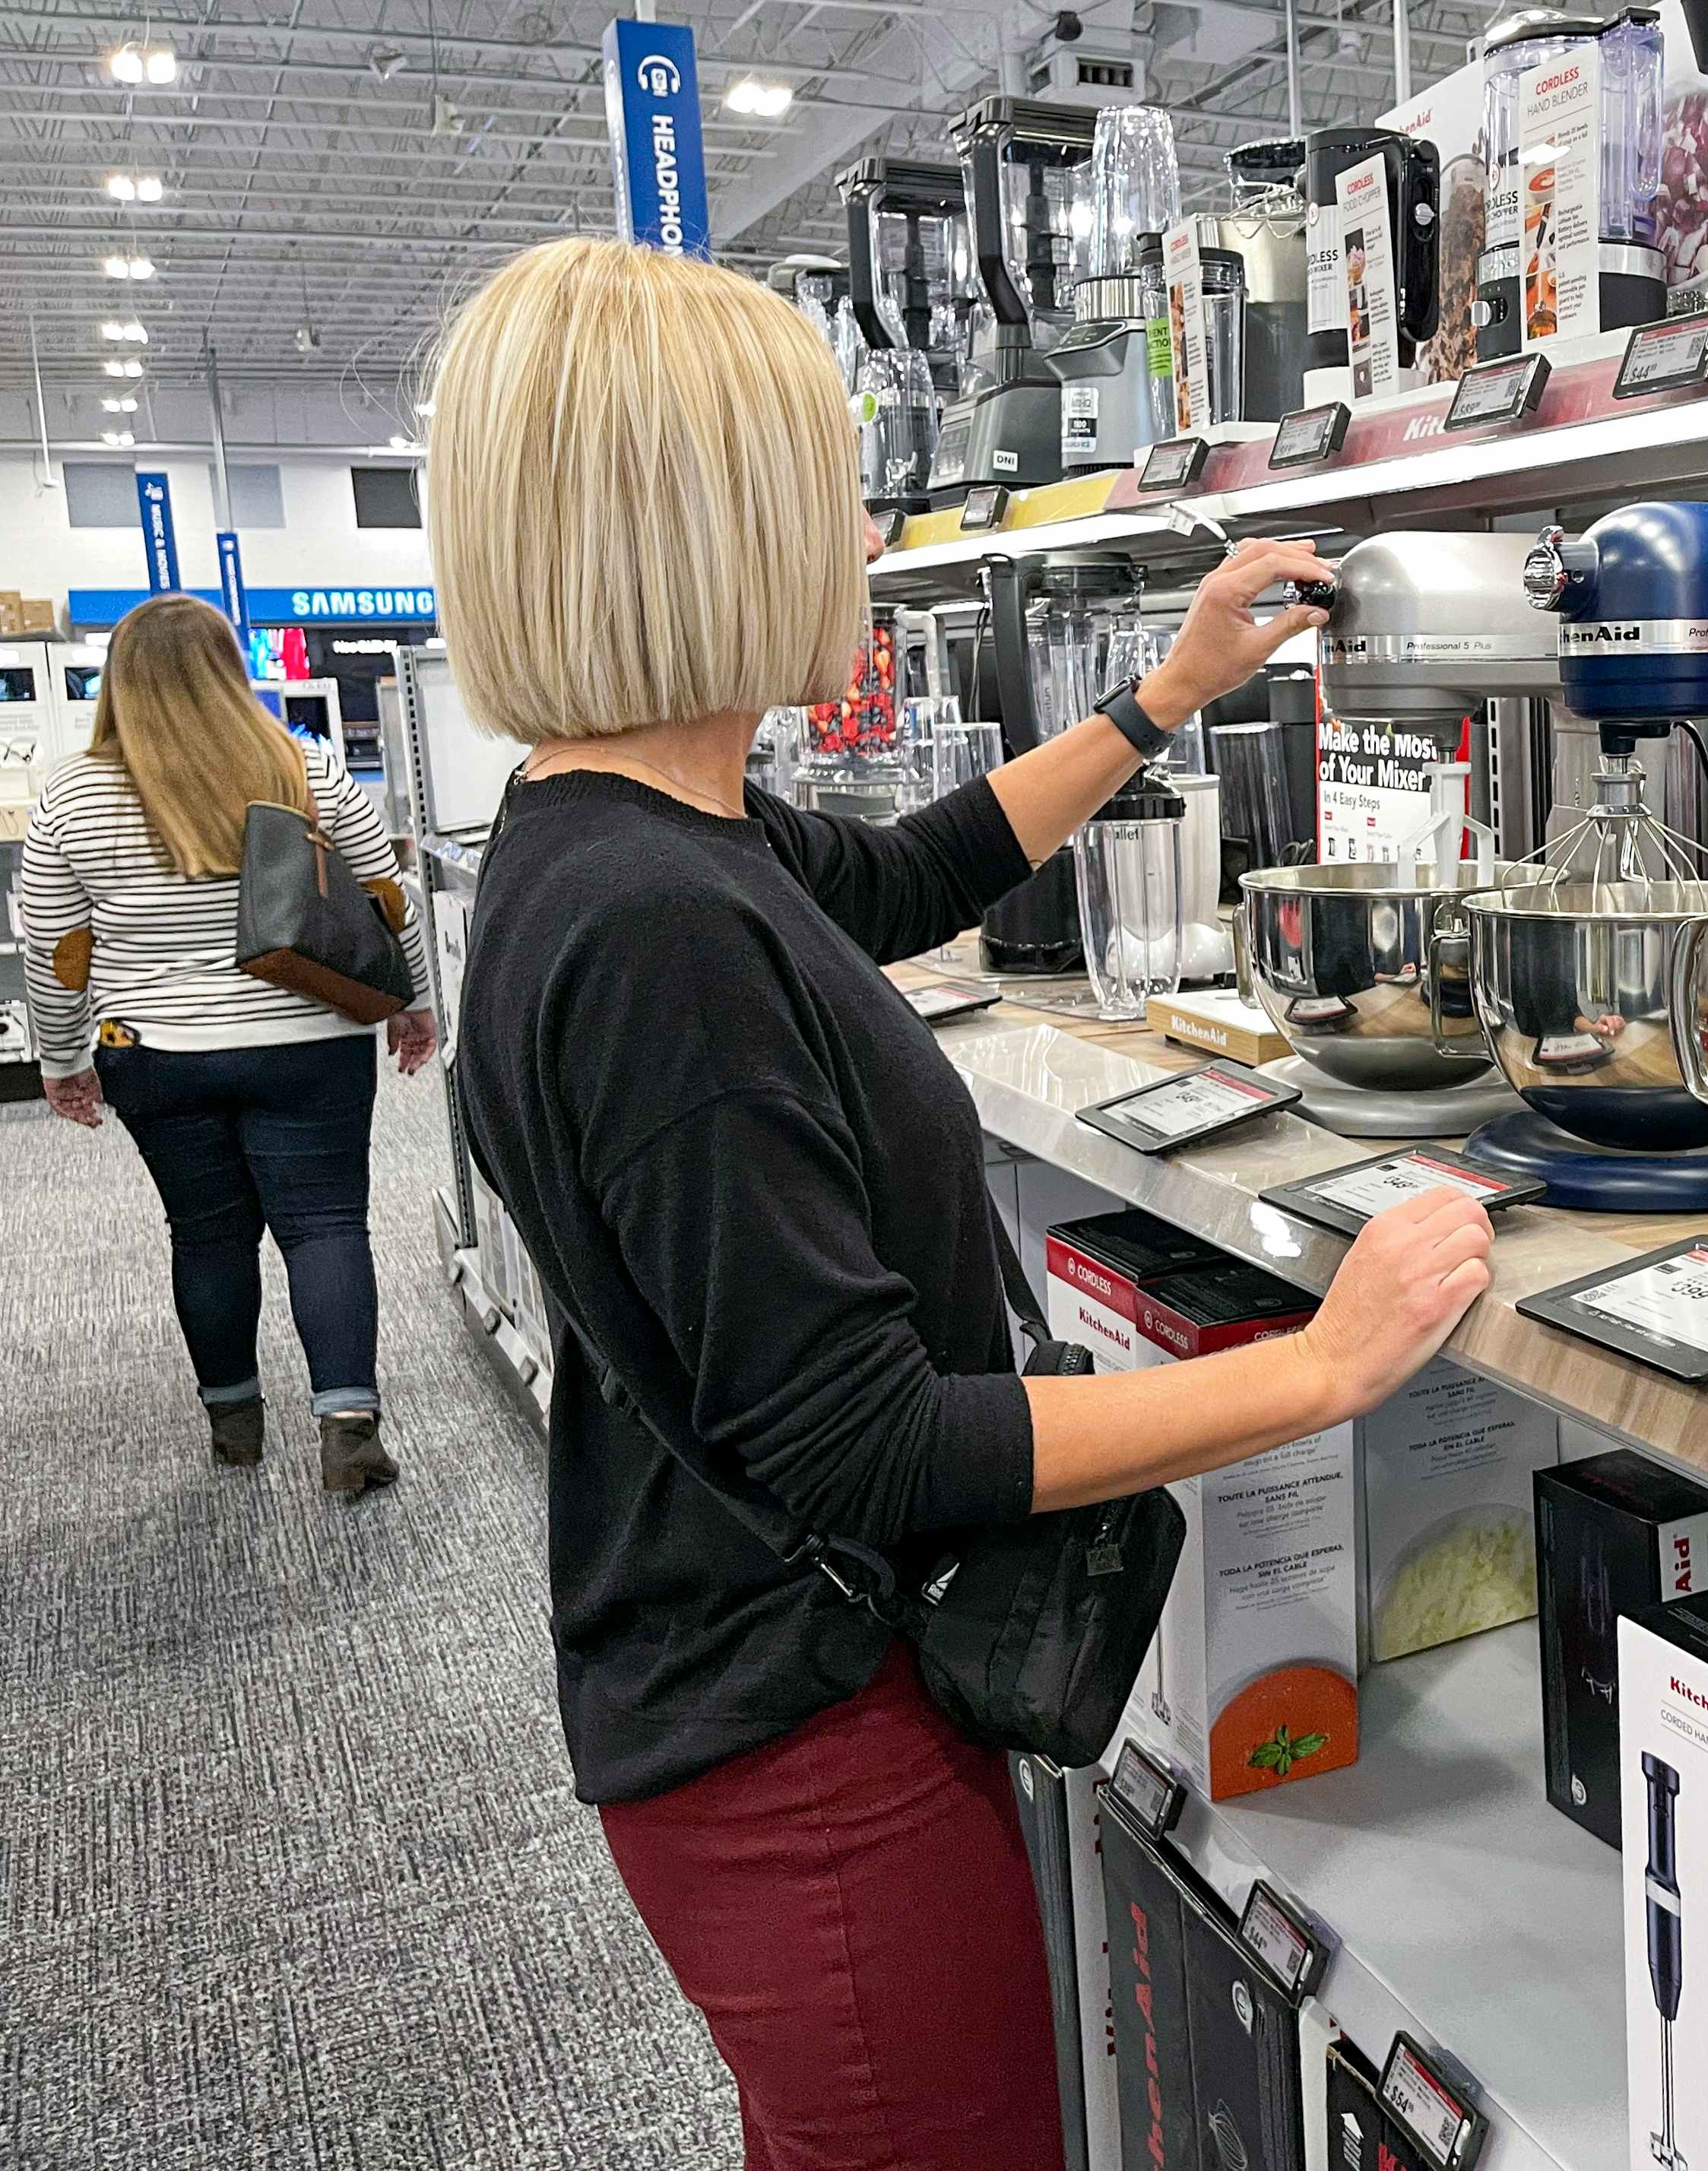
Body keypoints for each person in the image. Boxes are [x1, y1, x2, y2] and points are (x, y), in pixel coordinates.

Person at [429, 236, 1494, 2171]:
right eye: (819, 487)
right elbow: (867, 1444)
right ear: (713, 526)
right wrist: (1323, 1371)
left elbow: (910, 878)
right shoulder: (652, 927)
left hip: (751, 1698)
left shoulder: (639, 837)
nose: (856, 529)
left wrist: (1169, 696)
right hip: (800, 1765)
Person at [11, 594, 438, 1489]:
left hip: (155, 1053)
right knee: (325, 1226)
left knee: (206, 1236)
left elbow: (56, 949)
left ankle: (236, 1427)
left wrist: (63, 1060)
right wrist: (415, 1002)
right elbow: (384, 896)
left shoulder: (71, 795)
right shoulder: (303, 764)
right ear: (230, 670)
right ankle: (348, 1431)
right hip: (306, 1043)